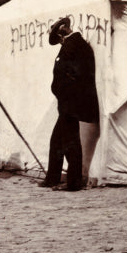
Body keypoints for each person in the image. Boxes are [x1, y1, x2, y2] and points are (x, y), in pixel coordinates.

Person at [40, 16, 100, 191]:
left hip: (71, 103)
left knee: (70, 143)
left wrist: (63, 91)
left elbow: (75, 75)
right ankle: (53, 178)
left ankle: (73, 182)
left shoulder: (74, 46)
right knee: (57, 141)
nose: (59, 42)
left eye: (59, 38)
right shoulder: (75, 45)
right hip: (67, 103)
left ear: (64, 31)